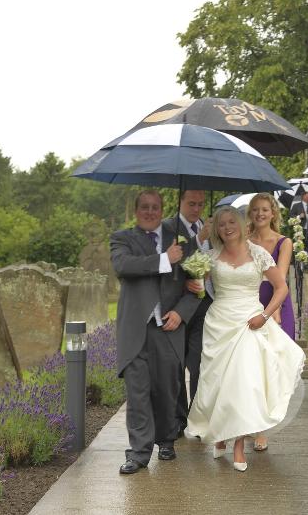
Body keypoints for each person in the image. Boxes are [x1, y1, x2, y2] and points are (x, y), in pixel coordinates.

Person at [187, 206, 306, 472]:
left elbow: (282, 287)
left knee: (242, 383)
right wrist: (195, 268)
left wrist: (264, 316)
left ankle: (239, 444)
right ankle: (219, 435)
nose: (227, 227)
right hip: (219, 323)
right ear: (216, 229)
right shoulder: (210, 254)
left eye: (231, 222)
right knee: (218, 384)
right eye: (221, 224)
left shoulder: (258, 253)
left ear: (241, 225)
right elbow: (189, 278)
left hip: (250, 323)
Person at [110, 189, 200, 475]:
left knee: (166, 390)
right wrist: (165, 259)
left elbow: (197, 287)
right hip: (135, 328)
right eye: (145, 207)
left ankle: (166, 439)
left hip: (168, 328)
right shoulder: (122, 238)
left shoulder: (182, 242)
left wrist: (182, 312)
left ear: (163, 211)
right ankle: (138, 454)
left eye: (155, 207)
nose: (150, 212)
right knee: (138, 393)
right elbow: (124, 266)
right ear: (136, 211)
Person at [247, 193, 296, 453]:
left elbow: (281, 278)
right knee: (252, 367)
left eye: (265, 209)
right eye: (255, 210)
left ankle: (263, 427)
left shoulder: (283, 242)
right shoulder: (244, 241)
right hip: (250, 304)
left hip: (275, 304)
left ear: (273, 213)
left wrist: (273, 311)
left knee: (272, 368)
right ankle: (252, 424)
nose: (260, 214)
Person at [163, 190, 213, 433]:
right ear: (180, 202)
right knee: (175, 364)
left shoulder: (209, 226)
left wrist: (205, 274)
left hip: (203, 305)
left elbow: (210, 265)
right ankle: (176, 418)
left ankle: (196, 417)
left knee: (198, 363)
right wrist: (184, 282)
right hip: (176, 307)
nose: (196, 209)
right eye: (191, 204)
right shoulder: (167, 228)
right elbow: (166, 268)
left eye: (201, 204)